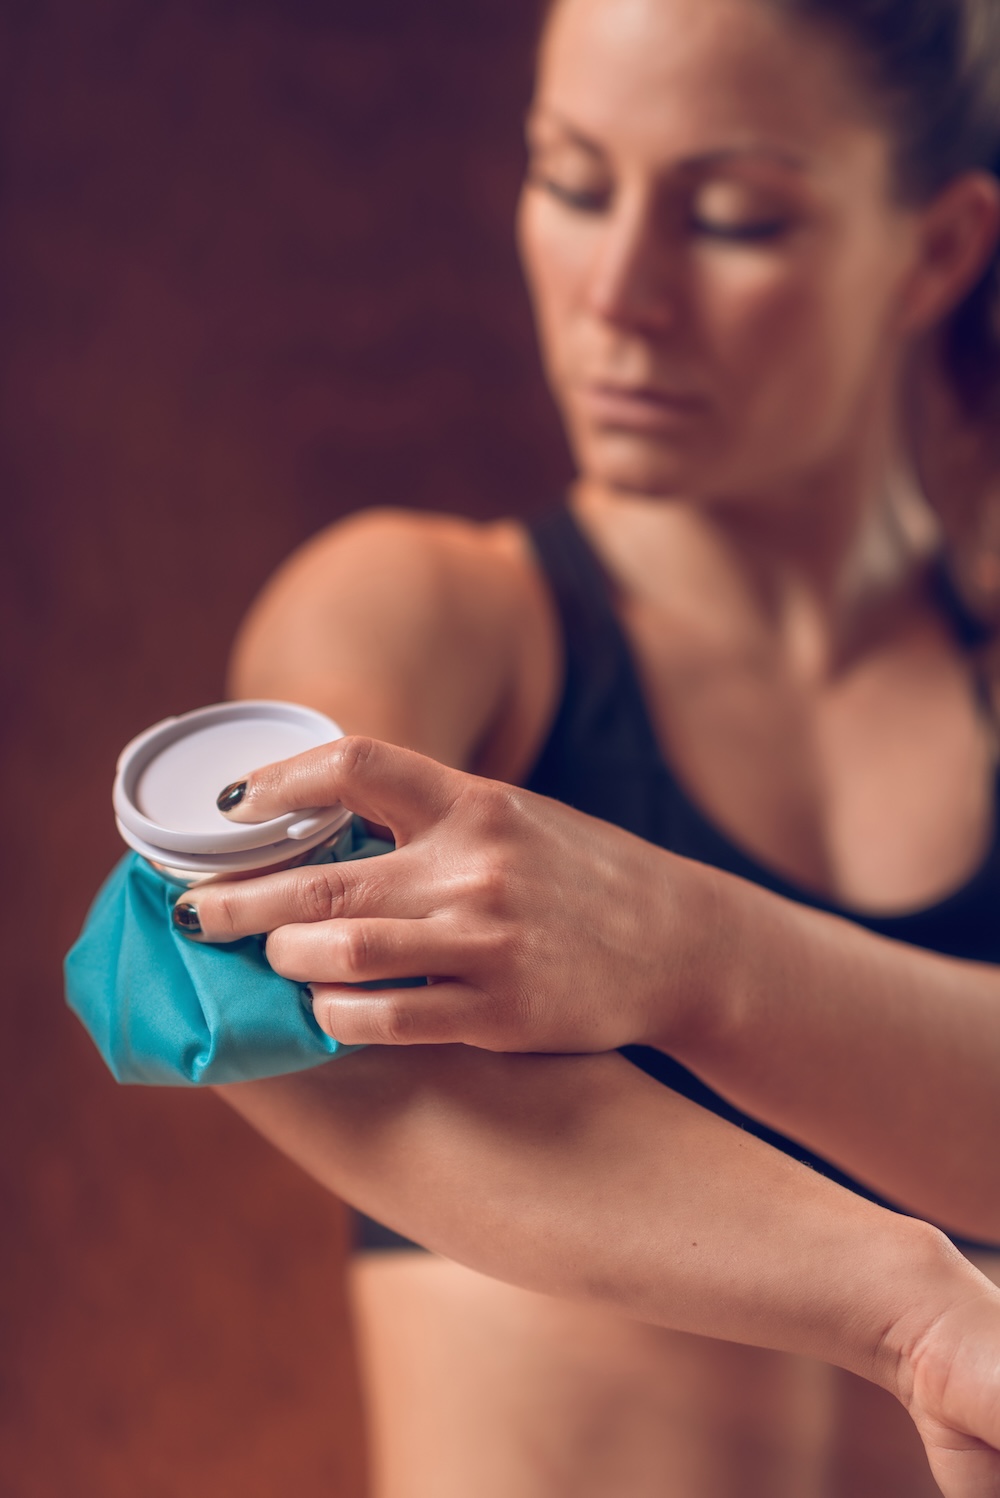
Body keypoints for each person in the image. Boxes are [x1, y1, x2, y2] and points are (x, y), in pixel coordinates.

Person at [177, 0, 1000, 1491]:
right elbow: (229, 986)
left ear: (937, 251)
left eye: (735, 218)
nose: (618, 292)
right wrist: (907, 1302)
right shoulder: (427, 619)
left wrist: (676, 940)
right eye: (569, 181)